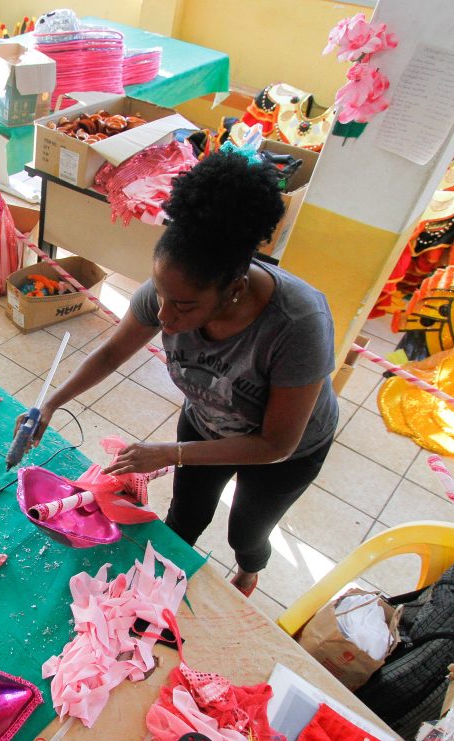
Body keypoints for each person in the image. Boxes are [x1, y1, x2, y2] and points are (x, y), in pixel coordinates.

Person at [22, 150, 338, 596]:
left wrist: (171, 453)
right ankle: (162, 581)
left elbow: (275, 444)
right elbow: (112, 354)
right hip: (206, 425)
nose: (164, 318)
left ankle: (249, 571)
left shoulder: (298, 323)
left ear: (234, 290)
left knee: (247, 531)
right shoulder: (169, 291)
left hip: (286, 452)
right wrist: (51, 402)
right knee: (185, 515)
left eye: (184, 307)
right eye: (162, 297)